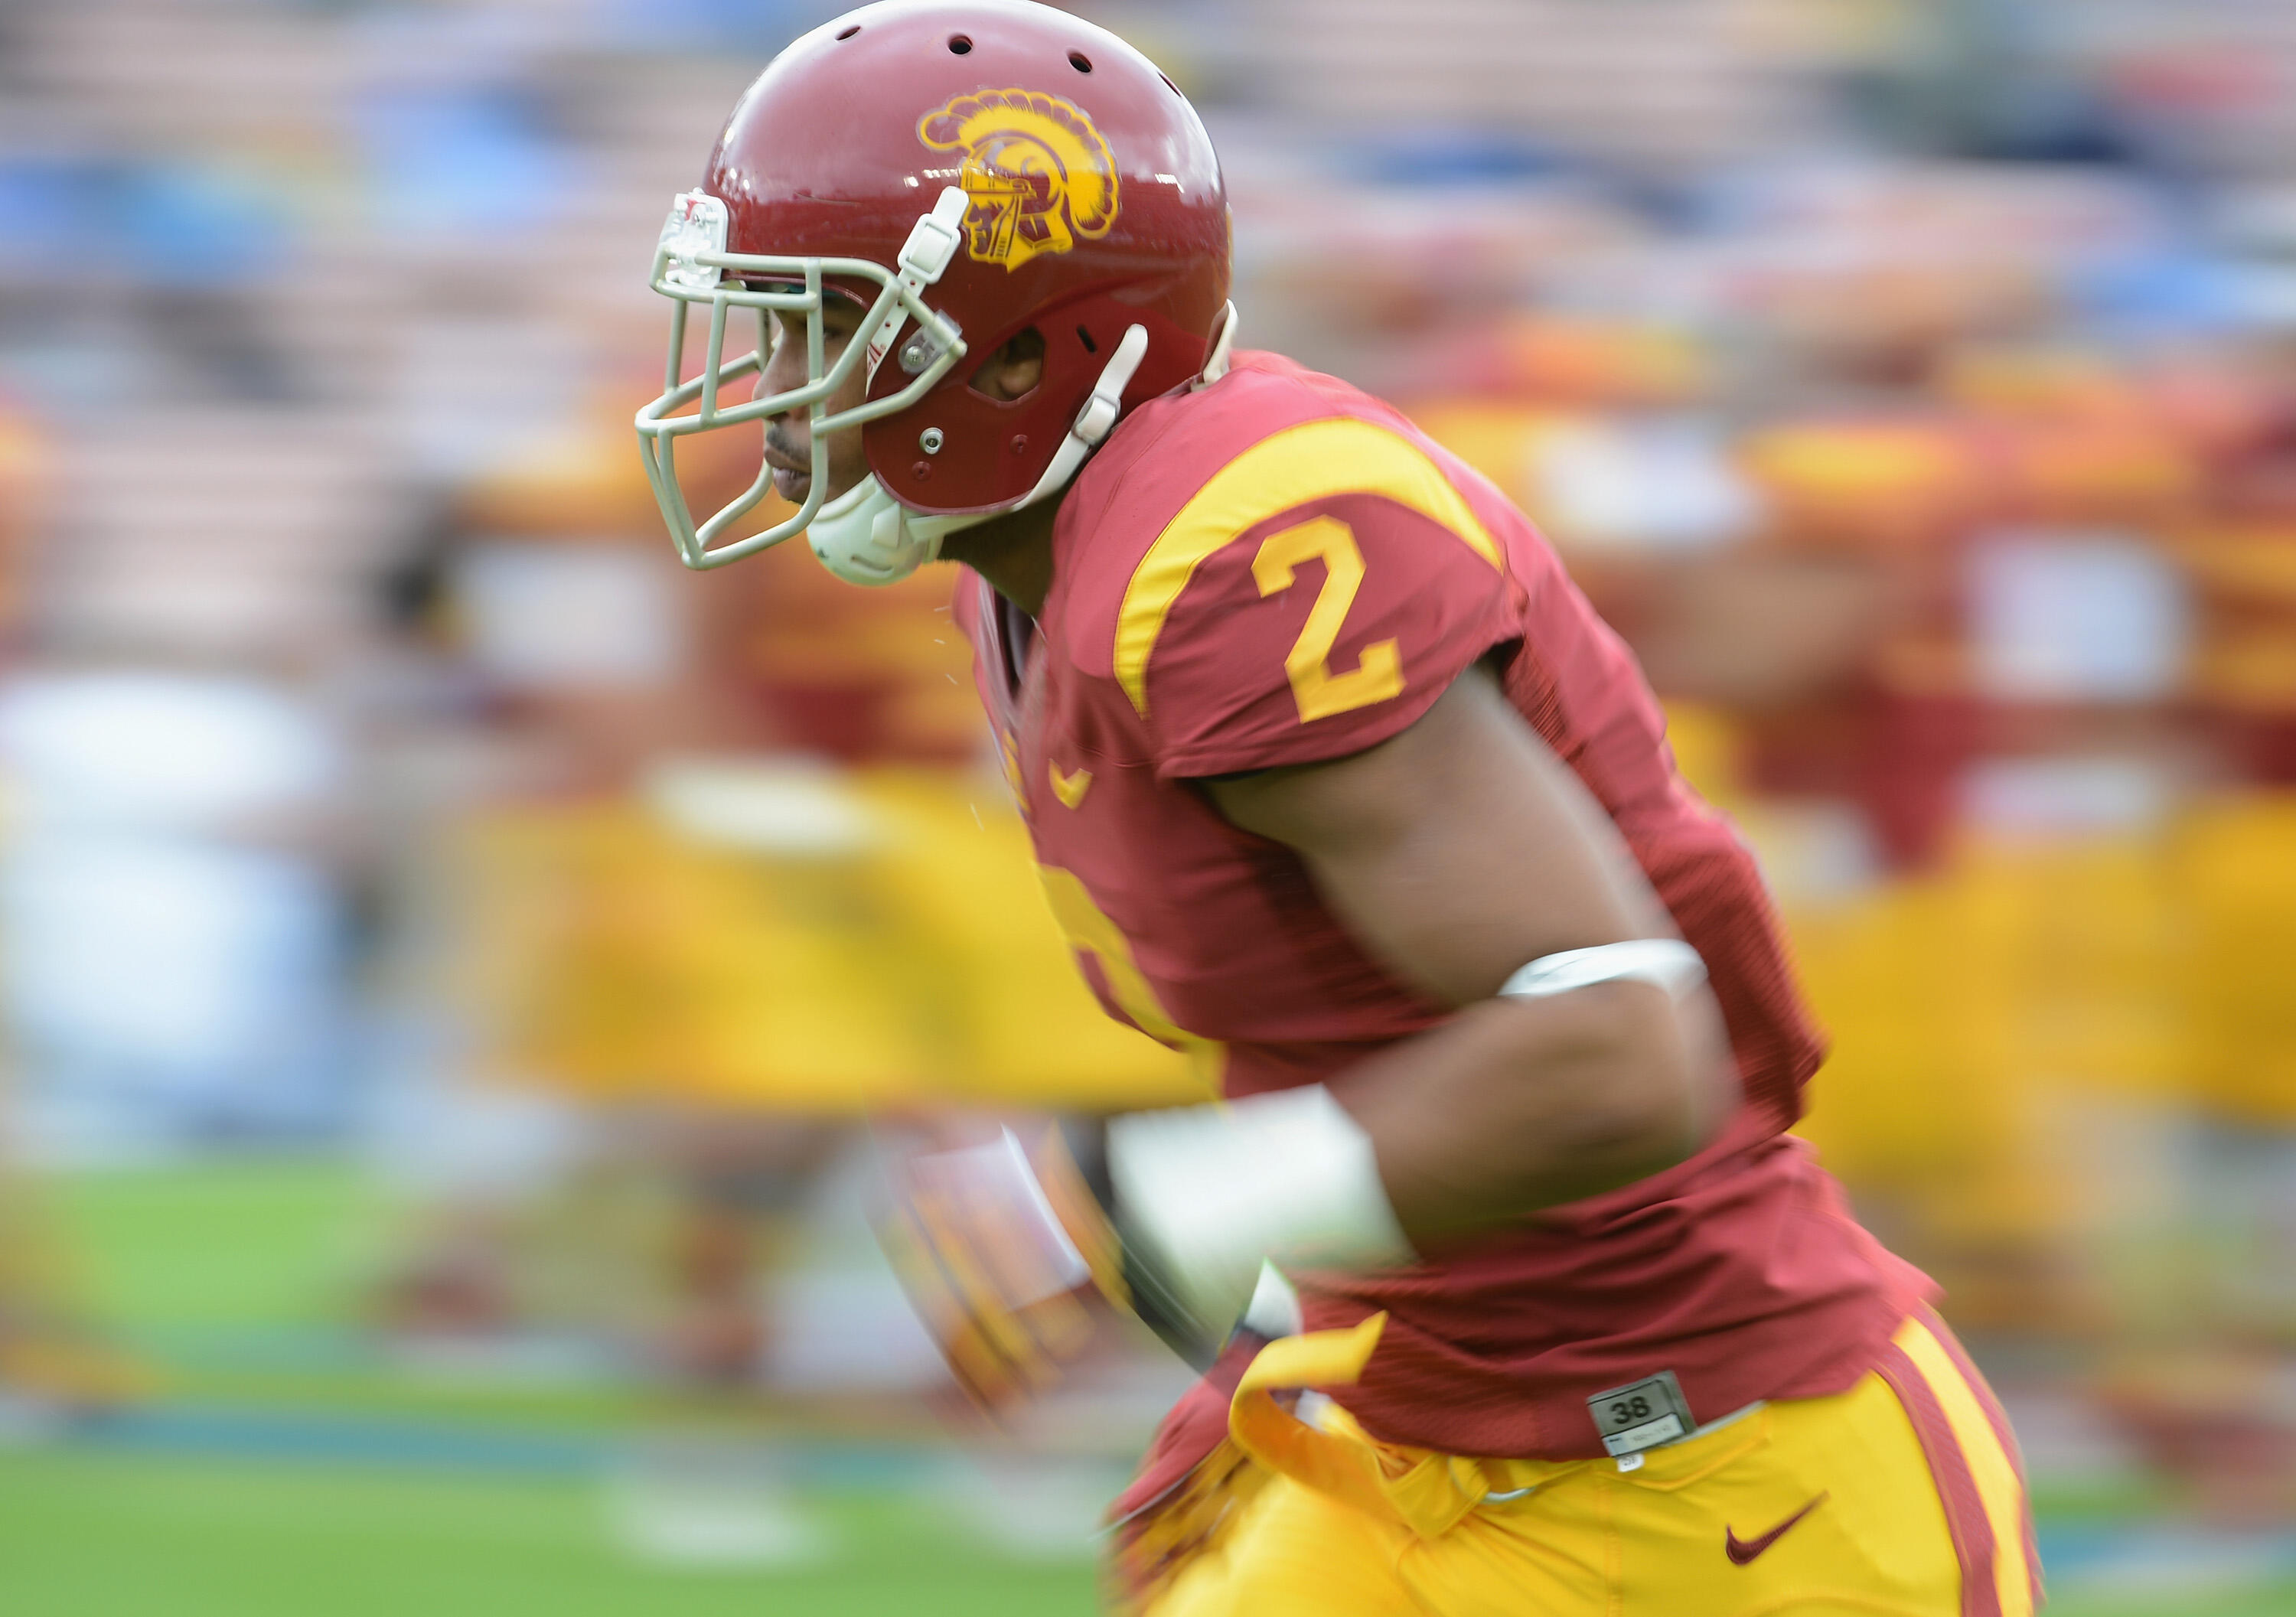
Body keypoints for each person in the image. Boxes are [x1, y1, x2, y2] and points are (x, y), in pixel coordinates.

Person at [635, 4, 2040, 1612]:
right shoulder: (1018, 570)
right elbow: (1352, 1047)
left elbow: (1615, 1041)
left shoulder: (1236, 545)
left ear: (1021, 353)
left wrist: (1130, 1211)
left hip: (1721, 1484)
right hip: (1421, 1433)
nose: (781, 391)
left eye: (827, 329)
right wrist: (1269, 1315)